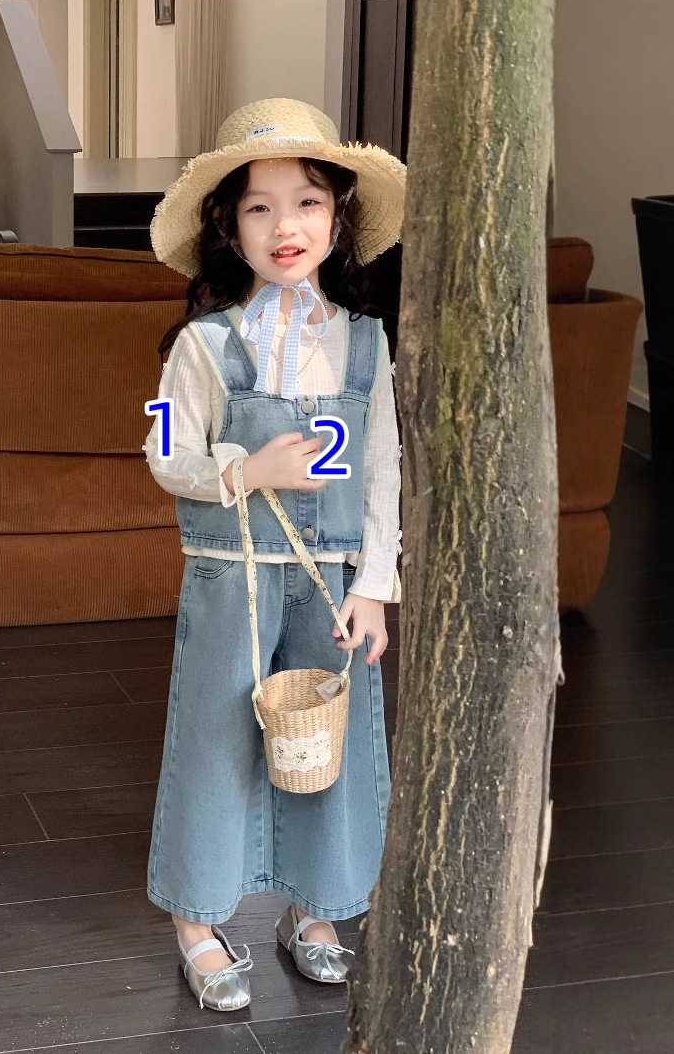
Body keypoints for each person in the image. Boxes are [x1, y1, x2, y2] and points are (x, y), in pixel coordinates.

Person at [142, 98, 407, 1011]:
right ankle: (197, 922)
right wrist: (243, 469)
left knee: (327, 752)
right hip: (232, 582)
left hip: (331, 587)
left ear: (338, 217)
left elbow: (383, 472)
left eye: (306, 202)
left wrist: (374, 587)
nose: (283, 226)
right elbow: (162, 451)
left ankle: (316, 911)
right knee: (216, 746)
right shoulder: (201, 347)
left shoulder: (365, 345)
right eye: (258, 206)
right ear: (228, 226)